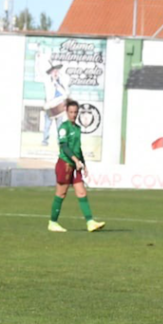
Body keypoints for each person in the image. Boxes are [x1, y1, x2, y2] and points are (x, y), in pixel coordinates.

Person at [48, 99, 105, 233]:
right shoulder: (64, 127)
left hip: (76, 165)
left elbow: (77, 148)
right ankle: (53, 222)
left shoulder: (77, 128)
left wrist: (83, 164)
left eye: (75, 112)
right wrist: (75, 160)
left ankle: (90, 222)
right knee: (61, 194)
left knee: (81, 192)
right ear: (67, 112)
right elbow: (64, 146)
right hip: (65, 164)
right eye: (71, 112)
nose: (73, 114)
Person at [41, 61, 69, 147]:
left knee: (60, 126)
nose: (56, 73)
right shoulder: (48, 81)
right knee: (47, 125)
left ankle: (60, 142)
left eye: (57, 71)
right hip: (50, 105)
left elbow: (65, 92)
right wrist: (53, 80)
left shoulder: (62, 81)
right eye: (54, 71)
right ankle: (45, 141)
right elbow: (49, 92)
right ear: (51, 72)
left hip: (59, 105)